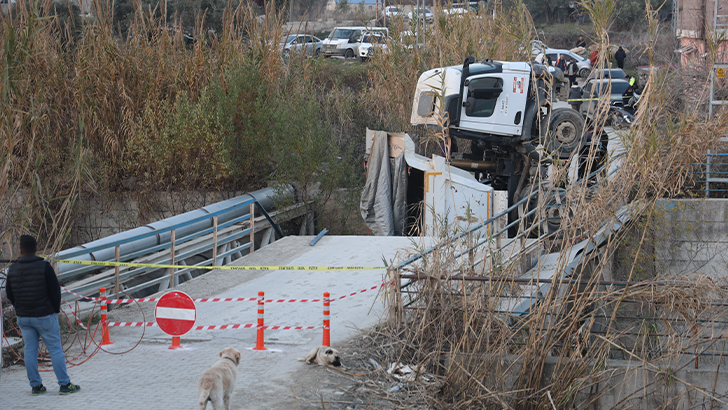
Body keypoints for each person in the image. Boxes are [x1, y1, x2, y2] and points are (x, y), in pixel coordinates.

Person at [6, 235, 81, 396]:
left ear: (20, 250)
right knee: (55, 349)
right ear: (36, 249)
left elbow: (9, 294)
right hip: (45, 316)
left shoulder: (12, 269)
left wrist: (19, 308)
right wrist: (54, 309)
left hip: (24, 317)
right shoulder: (44, 267)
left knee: (30, 350)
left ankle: (36, 386)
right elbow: (55, 291)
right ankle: (64, 384)